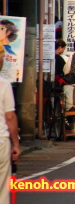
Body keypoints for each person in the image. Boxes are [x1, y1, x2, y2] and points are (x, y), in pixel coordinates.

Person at [0, 51, 20, 204]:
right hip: (1, 141)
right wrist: (16, 144)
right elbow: (10, 116)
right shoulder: (4, 84)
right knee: (2, 189)